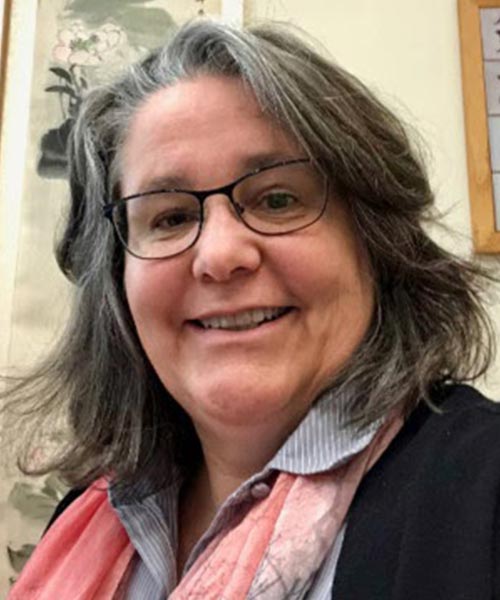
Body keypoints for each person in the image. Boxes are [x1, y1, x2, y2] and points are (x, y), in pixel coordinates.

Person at [5, 18, 500, 600]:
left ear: (375, 241)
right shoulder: (84, 518)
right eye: (170, 217)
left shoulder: (485, 497)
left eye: (278, 199)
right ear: (116, 280)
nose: (220, 256)